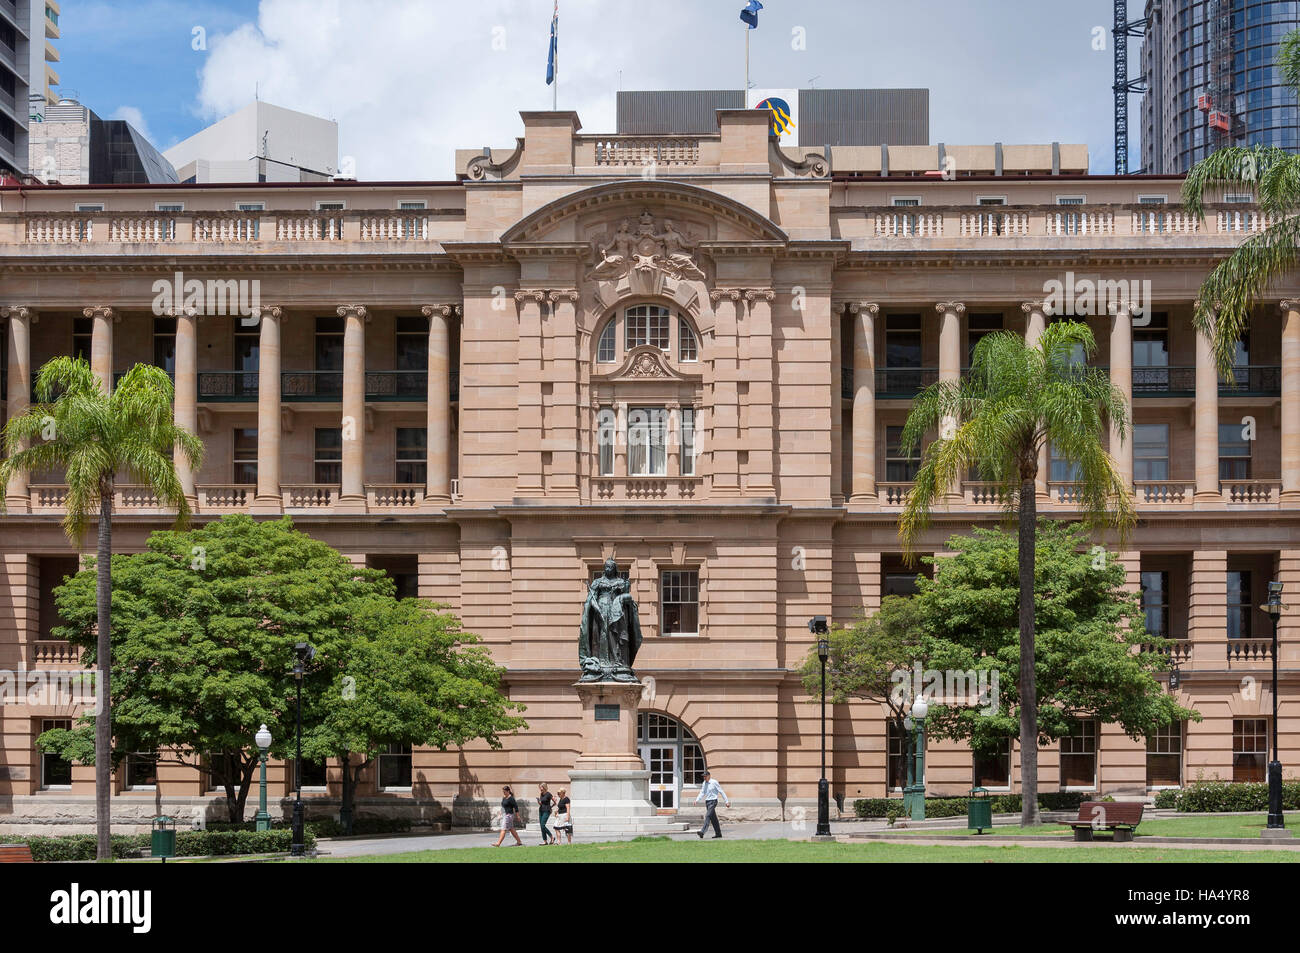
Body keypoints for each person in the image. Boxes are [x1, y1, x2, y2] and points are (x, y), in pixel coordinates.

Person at [694, 770, 730, 839]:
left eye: (705, 776)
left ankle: (702, 832)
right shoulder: (704, 783)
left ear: (709, 776)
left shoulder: (714, 782)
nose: (704, 777)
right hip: (707, 802)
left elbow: (721, 791)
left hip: (713, 801)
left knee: (707, 815)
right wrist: (697, 800)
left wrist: (727, 801)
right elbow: (702, 792)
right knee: (713, 819)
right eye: (703, 776)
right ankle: (718, 834)